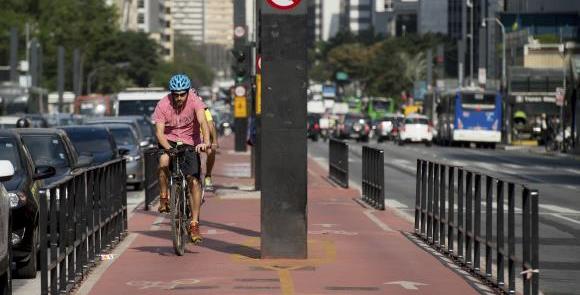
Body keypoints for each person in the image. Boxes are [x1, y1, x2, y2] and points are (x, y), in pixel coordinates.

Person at [152, 74, 211, 244]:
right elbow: (159, 132)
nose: (179, 98)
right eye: (175, 94)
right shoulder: (163, 104)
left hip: (190, 141)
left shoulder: (195, 100)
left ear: (187, 92)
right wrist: (169, 149)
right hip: (169, 140)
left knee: (193, 181)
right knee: (163, 162)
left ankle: (194, 224)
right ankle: (164, 197)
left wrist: (205, 142)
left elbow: (203, 122)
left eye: (182, 94)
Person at [202, 107, 219, 191]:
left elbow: (211, 125)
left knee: (210, 152)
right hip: (187, 137)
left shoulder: (204, 110)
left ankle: (208, 175)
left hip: (203, 137)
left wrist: (215, 142)